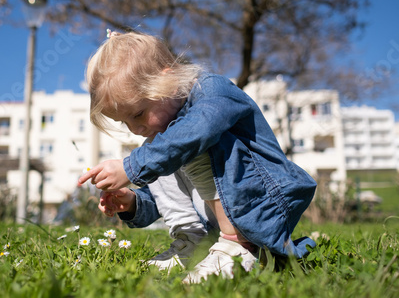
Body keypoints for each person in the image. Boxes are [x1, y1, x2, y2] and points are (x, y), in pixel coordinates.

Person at [78, 29, 317, 283]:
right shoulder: (165, 134)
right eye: (124, 123)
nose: (135, 129)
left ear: (166, 80)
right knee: (160, 148)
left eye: (137, 114)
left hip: (261, 206)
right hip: (219, 213)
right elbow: (169, 195)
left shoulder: (212, 90)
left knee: (180, 142)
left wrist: (130, 166)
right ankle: (193, 243)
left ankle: (241, 245)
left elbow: (200, 130)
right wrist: (134, 201)